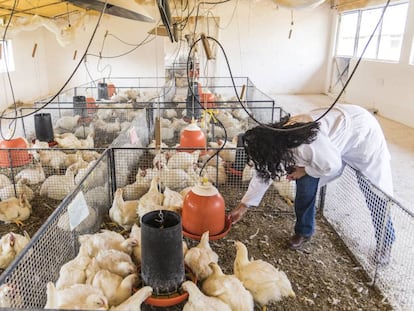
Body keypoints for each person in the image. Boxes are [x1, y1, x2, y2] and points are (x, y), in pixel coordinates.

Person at [230, 104, 395, 265]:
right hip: (332, 140)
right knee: (305, 185)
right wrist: (244, 205)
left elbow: (333, 164)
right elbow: (264, 172)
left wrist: (306, 170)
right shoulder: (275, 142)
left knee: (375, 192)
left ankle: (386, 242)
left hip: (362, 135)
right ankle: (304, 231)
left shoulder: (304, 145)